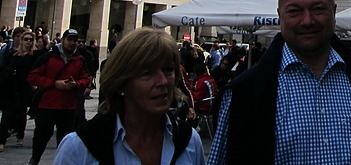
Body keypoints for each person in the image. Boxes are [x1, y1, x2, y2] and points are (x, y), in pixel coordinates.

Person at [208, 0, 351, 164]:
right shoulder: (242, 94)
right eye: (294, 11)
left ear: (333, 13)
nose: (307, 20)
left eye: (317, 9)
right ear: (280, 16)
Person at [53, 27, 204, 165]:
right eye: (147, 73)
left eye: (168, 70)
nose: (163, 81)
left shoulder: (189, 140)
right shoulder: (79, 147)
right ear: (121, 83)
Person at [27, 28, 91, 165]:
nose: (72, 43)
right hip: (47, 104)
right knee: (41, 136)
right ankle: (34, 159)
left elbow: (86, 79)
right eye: (69, 40)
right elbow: (33, 77)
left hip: (68, 106)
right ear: (62, 40)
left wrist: (77, 84)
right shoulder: (48, 57)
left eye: (75, 40)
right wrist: (54, 83)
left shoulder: (80, 59)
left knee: (65, 139)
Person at [0, 29, 36, 151]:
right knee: (6, 115)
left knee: (21, 113)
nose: (28, 42)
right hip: (11, 87)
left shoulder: (33, 56)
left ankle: (20, 136)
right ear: (21, 41)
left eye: (31, 40)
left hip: (24, 88)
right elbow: (5, 67)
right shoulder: (12, 54)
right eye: (26, 39)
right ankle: (1, 141)